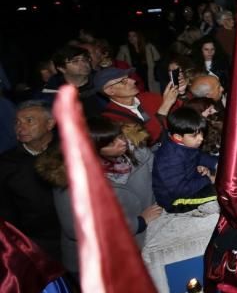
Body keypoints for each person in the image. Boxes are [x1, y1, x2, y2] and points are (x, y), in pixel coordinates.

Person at [48, 117, 162, 277]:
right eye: (111, 143)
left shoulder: (136, 150)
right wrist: (139, 222)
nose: (122, 142)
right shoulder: (69, 180)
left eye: (119, 136)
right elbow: (78, 228)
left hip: (143, 242)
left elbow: (157, 176)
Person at [0, 101, 62, 262]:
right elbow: (6, 209)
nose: (20, 127)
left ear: (50, 124)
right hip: (40, 242)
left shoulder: (69, 149)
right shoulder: (6, 164)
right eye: (17, 122)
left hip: (80, 232)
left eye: (29, 120)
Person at [151, 107, 218, 212]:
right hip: (176, 200)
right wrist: (208, 179)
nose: (201, 138)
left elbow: (199, 156)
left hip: (190, 181)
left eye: (201, 133)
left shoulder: (185, 144)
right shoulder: (169, 158)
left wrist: (217, 163)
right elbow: (179, 190)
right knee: (224, 190)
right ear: (178, 137)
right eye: (194, 135)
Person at [96, 68, 179, 146]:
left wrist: (181, 94)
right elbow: (145, 141)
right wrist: (164, 109)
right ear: (110, 91)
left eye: (129, 77)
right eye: (123, 81)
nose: (133, 81)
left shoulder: (148, 97)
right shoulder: (111, 118)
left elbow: (179, 115)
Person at [41, 44, 104, 117]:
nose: (83, 63)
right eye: (75, 61)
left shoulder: (103, 82)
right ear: (62, 69)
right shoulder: (51, 92)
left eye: (85, 59)